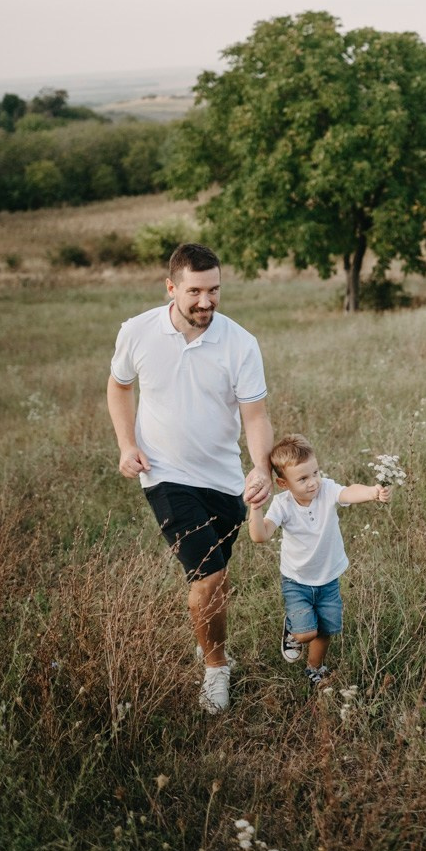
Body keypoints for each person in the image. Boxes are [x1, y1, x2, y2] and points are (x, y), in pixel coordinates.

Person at [107, 242, 273, 714]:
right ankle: (216, 671)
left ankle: (214, 649)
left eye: (214, 290)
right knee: (209, 575)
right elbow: (119, 386)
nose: (206, 301)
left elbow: (256, 417)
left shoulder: (240, 343)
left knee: (215, 581)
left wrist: (260, 467)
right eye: (195, 291)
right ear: (171, 287)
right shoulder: (138, 332)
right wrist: (126, 445)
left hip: (222, 481)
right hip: (164, 474)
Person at [248, 433, 391, 688]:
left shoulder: (326, 489)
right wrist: (255, 507)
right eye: (303, 478)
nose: (313, 482)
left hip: (328, 579)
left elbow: (348, 492)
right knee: (307, 633)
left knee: (326, 630)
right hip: (297, 580)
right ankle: (293, 627)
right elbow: (260, 535)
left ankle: (315, 669)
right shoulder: (282, 505)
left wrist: (371, 492)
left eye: (315, 472)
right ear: (283, 483)